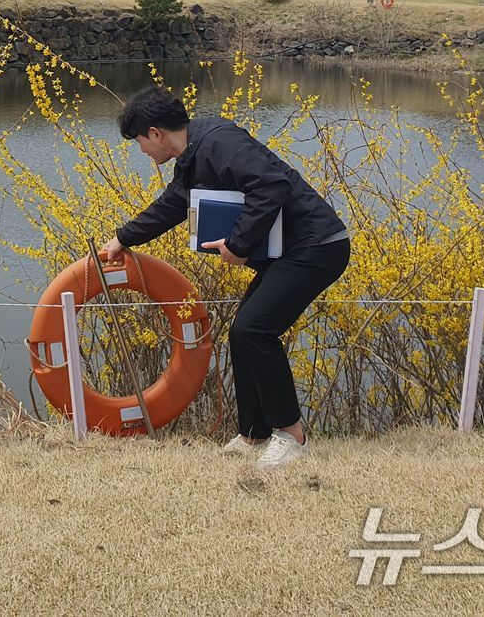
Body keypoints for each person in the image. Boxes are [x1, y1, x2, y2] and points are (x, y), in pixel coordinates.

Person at [99, 88, 349, 469]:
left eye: (139, 143)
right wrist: (122, 238)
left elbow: (271, 186)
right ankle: (254, 434)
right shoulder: (194, 153)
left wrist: (238, 243)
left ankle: (292, 435)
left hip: (317, 247)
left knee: (255, 330)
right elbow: (173, 205)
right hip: (293, 251)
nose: (143, 152)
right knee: (242, 331)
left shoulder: (218, 142)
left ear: (155, 133)